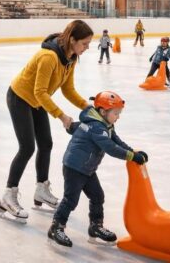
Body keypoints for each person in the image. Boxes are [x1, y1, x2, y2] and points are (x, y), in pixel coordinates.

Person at [0, 20, 93, 223]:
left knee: (46, 144)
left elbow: (68, 90)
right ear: (72, 40)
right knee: (27, 147)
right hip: (20, 97)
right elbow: (39, 92)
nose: (87, 48)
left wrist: (87, 107)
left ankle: (41, 189)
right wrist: (61, 116)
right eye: (84, 43)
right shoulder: (49, 57)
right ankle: (8, 195)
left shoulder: (71, 58)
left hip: (37, 100)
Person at [48, 92, 147, 248]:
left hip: (87, 168)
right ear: (103, 111)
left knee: (97, 196)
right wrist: (131, 156)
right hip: (74, 167)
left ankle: (95, 227)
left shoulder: (106, 125)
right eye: (116, 113)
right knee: (70, 200)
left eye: (119, 113)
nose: (118, 117)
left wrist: (133, 152)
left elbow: (116, 141)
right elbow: (110, 147)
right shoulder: (97, 126)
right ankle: (56, 228)